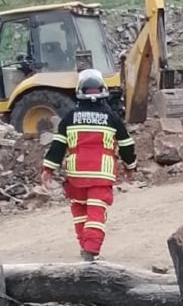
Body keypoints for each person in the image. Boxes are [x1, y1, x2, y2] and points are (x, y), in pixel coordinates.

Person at [40, 69, 137, 262]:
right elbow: (127, 144)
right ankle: (91, 250)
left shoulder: (69, 117)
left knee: (79, 211)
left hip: (76, 175)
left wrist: (48, 169)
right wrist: (130, 165)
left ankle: (85, 247)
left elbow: (58, 146)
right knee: (96, 212)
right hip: (101, 174)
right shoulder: (112, 118)